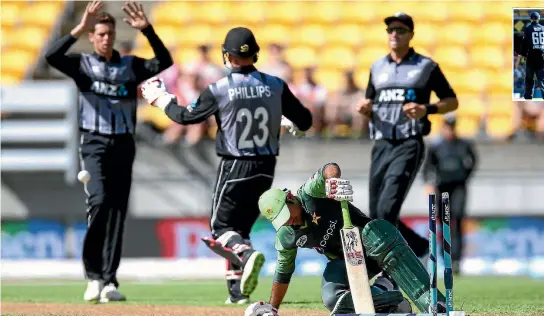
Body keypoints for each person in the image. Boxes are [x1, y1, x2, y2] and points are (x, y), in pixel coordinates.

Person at [140, 27, 313, 304]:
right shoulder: (276, 84)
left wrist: (161, 100)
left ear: (227, 56)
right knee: (239, 229)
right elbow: (305, 121)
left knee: (221, 229)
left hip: (235, 165)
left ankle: (245, 255)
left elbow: (186, 117)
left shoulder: (220, 88)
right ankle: (237, 292)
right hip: (266, 167)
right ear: (255, 54)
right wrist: (285, 119)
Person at [44, 0, 173, 302]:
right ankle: (93, 276)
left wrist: (148, 31)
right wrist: (79, 27)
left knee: (116, 212)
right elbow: (51, 55)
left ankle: (109, 281)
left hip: (123, 146)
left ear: (114, 36)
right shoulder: (83, 66)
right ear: (93, 36)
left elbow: (164, 61)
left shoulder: (130, 67)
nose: (105, 39)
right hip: (94, 144)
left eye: (109, 34)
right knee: (100, 202)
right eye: (99, 34)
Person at [243, 162, 447, 316]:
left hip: (376, 243)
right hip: (350, 264)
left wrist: (332, 181)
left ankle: (435, 304)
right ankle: (391, 299)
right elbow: (283, 272)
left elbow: (329, 168)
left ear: (290, 198)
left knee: (375, 232)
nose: (289, 222)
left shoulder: (309, 194)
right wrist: (273, 308)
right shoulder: (286, 234)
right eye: (281, 221)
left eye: (287, 214)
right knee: (334, 298)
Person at [355, 12, 459, 259]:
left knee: (387, 209)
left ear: (411, 35)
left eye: (400, 30)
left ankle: (389, 270)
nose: (394, 34)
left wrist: (427, 109)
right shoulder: (377, 67)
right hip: (381, 143)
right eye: (390, 30)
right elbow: (371, 102)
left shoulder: (426, 66)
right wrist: (365, 110)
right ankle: (421, 248)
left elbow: (452, 101)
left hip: (408, 143)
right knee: (376, 216)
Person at [422, 115, 478, 274]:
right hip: (442, 189)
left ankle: (457, 260)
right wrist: (429, 185)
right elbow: (428, 168)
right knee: (442, 222)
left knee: (458, 219)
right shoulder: (437, 146)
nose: (450, 130)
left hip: (459, 187)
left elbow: (473, 162)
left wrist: (465, 177)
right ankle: (444, 257)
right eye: (447, 127)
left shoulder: (464, 145)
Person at [520, 11, 544, 100]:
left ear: (531, 19)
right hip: (542, 57)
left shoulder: (528, 28)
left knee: (529, 79)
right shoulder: (543, 28)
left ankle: (528, 97)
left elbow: (524, 43)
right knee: (542, 79)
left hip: (531, 57)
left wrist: (523, 54)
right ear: (539, 19)